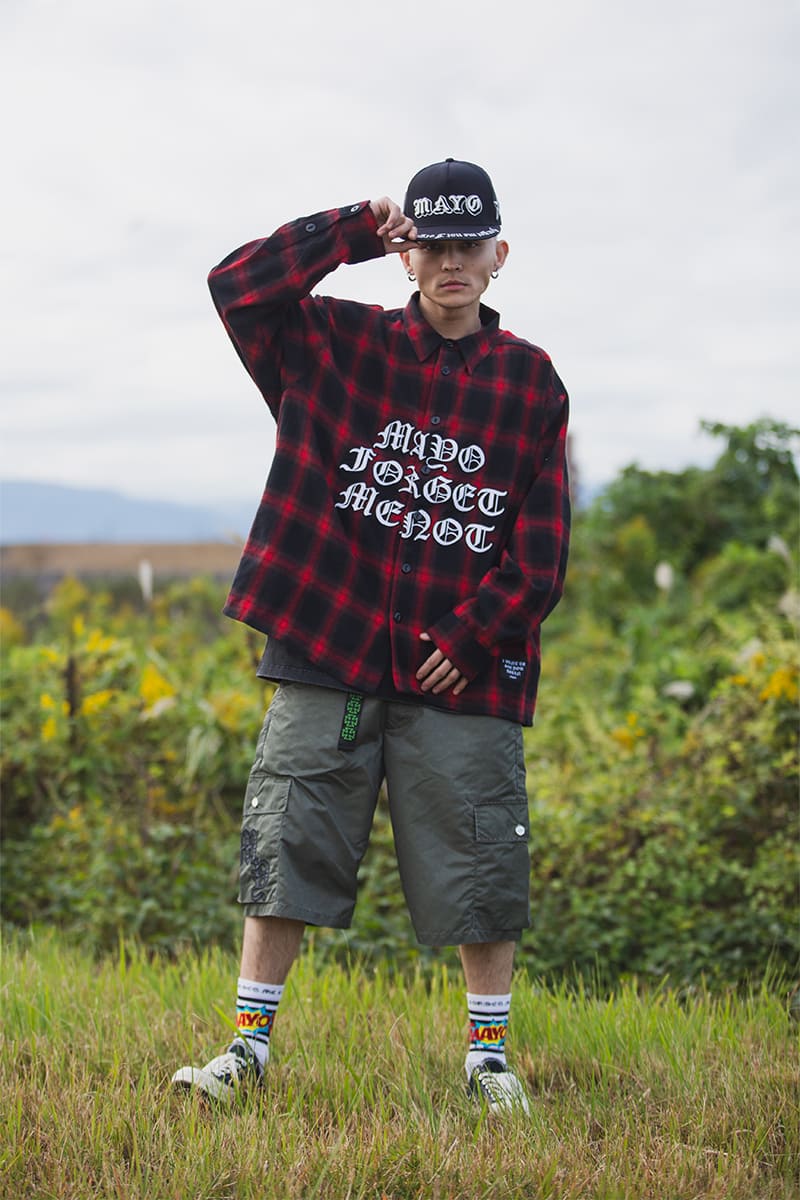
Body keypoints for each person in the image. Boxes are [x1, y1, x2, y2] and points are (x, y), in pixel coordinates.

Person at [171, 158, 570, 1115]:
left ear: (500, 254)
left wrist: (473, 634)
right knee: (288, 839)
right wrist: (351, 227)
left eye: (469, 244)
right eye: (432, 244)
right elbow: (235, 286)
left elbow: (542, 550)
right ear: (407, 254)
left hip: (459, 670)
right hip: (331, 647)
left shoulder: (530, 382)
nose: (450, 262)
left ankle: (488, 1063)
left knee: (481, 853)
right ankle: (248, 1049)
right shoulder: (332, 343)